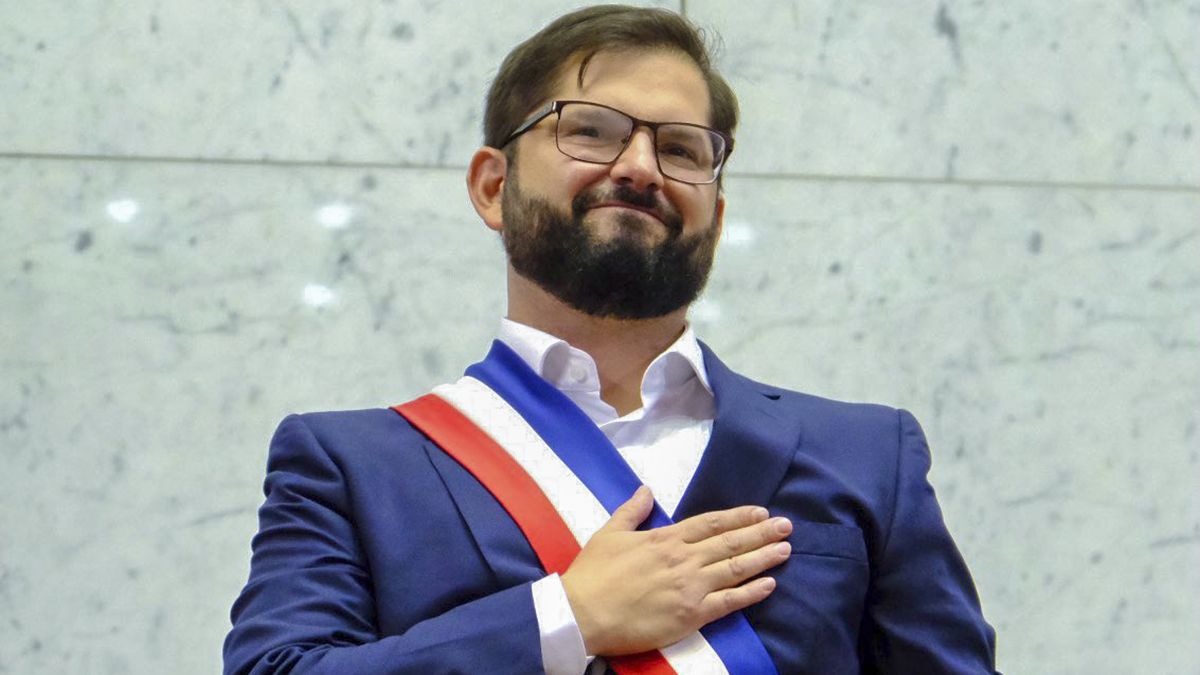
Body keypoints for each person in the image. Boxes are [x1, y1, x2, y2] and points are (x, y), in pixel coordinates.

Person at [224, 5, 999, 674]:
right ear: (494, 187)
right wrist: (567, 618)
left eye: (682, 149)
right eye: (591, 131)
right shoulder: (350, 467)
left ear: (716, 215)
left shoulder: (869, 454)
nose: (639, 167)